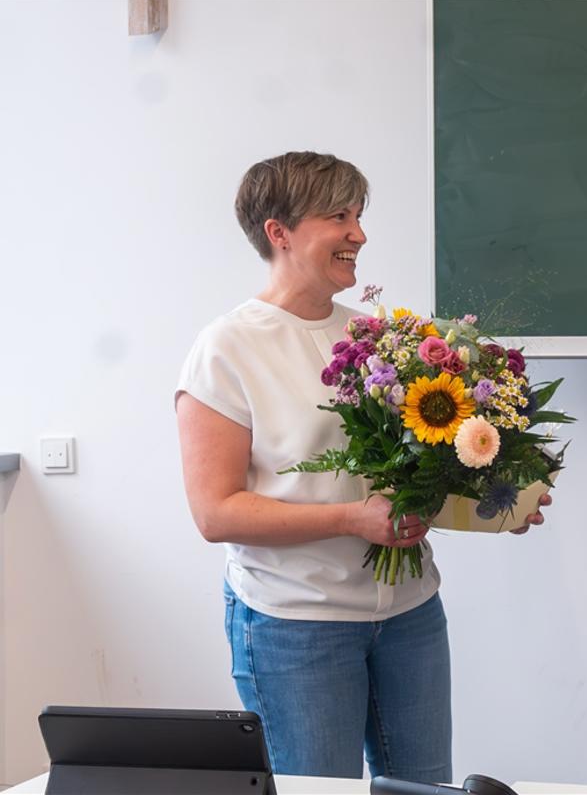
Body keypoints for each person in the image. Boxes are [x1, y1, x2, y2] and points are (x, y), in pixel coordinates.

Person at [175, 151, 548, 781]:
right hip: (297, 626)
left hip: (409, 615)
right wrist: (353, 519)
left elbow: (411, 477)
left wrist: (496, 505)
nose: (359, 234)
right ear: (279, 232)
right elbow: (216, 513)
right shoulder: (227, 348)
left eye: (359, 215)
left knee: (424, 789)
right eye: (339, 217)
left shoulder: (380, 337)